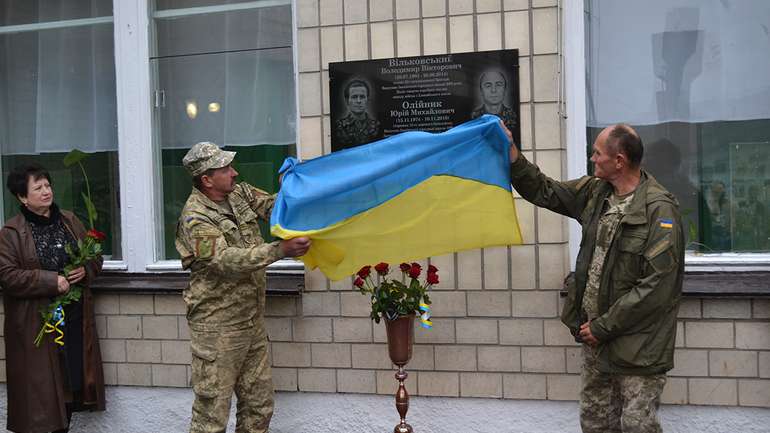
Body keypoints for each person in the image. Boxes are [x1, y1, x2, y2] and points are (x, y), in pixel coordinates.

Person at [503, 123, 684, 433]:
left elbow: (657, 287)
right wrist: (512, 156)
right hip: (596, 345)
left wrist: (602, 327)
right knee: (595, 424)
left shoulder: (660, 210)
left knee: (637, 426)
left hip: (637, 348)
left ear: (619, 161)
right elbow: (546, 191)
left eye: (598, 153)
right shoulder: (594, 192)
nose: (592, 158)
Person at [175, 141, 311, 433]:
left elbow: (275, 208)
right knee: (211, 418)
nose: (234, 173)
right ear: (206, 179)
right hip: (217, 330)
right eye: (225, 168)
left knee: (259, 408)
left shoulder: (239, 193)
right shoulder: (195, 217)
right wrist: (280, 251)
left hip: (250, 323)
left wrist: (294, 186)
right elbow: (225, 261)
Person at [0, 163, 105, 433]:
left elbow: (94, 257)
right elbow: (8, 277)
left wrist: (86, 269)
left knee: (70, 382)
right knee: (41, 391)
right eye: (38, 188)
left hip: (72, 317)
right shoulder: (11, 233)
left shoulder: (69, 221)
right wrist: (50, 281)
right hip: (37, 323)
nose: (47, 191)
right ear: (22, 197)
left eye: (48, 185)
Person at [333, 79, 381, 150]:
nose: (358, 101)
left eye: (362, 97)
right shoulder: (339, 126)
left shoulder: (377, 126)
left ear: (367, 100)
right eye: (354, 97)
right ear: (347, 101)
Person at [471, 70, 518, 134]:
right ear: (481, 90)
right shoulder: (474, 117)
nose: (493, 90)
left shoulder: (513, 116)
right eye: (488, 85)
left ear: (505, 89)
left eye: (498, 85)